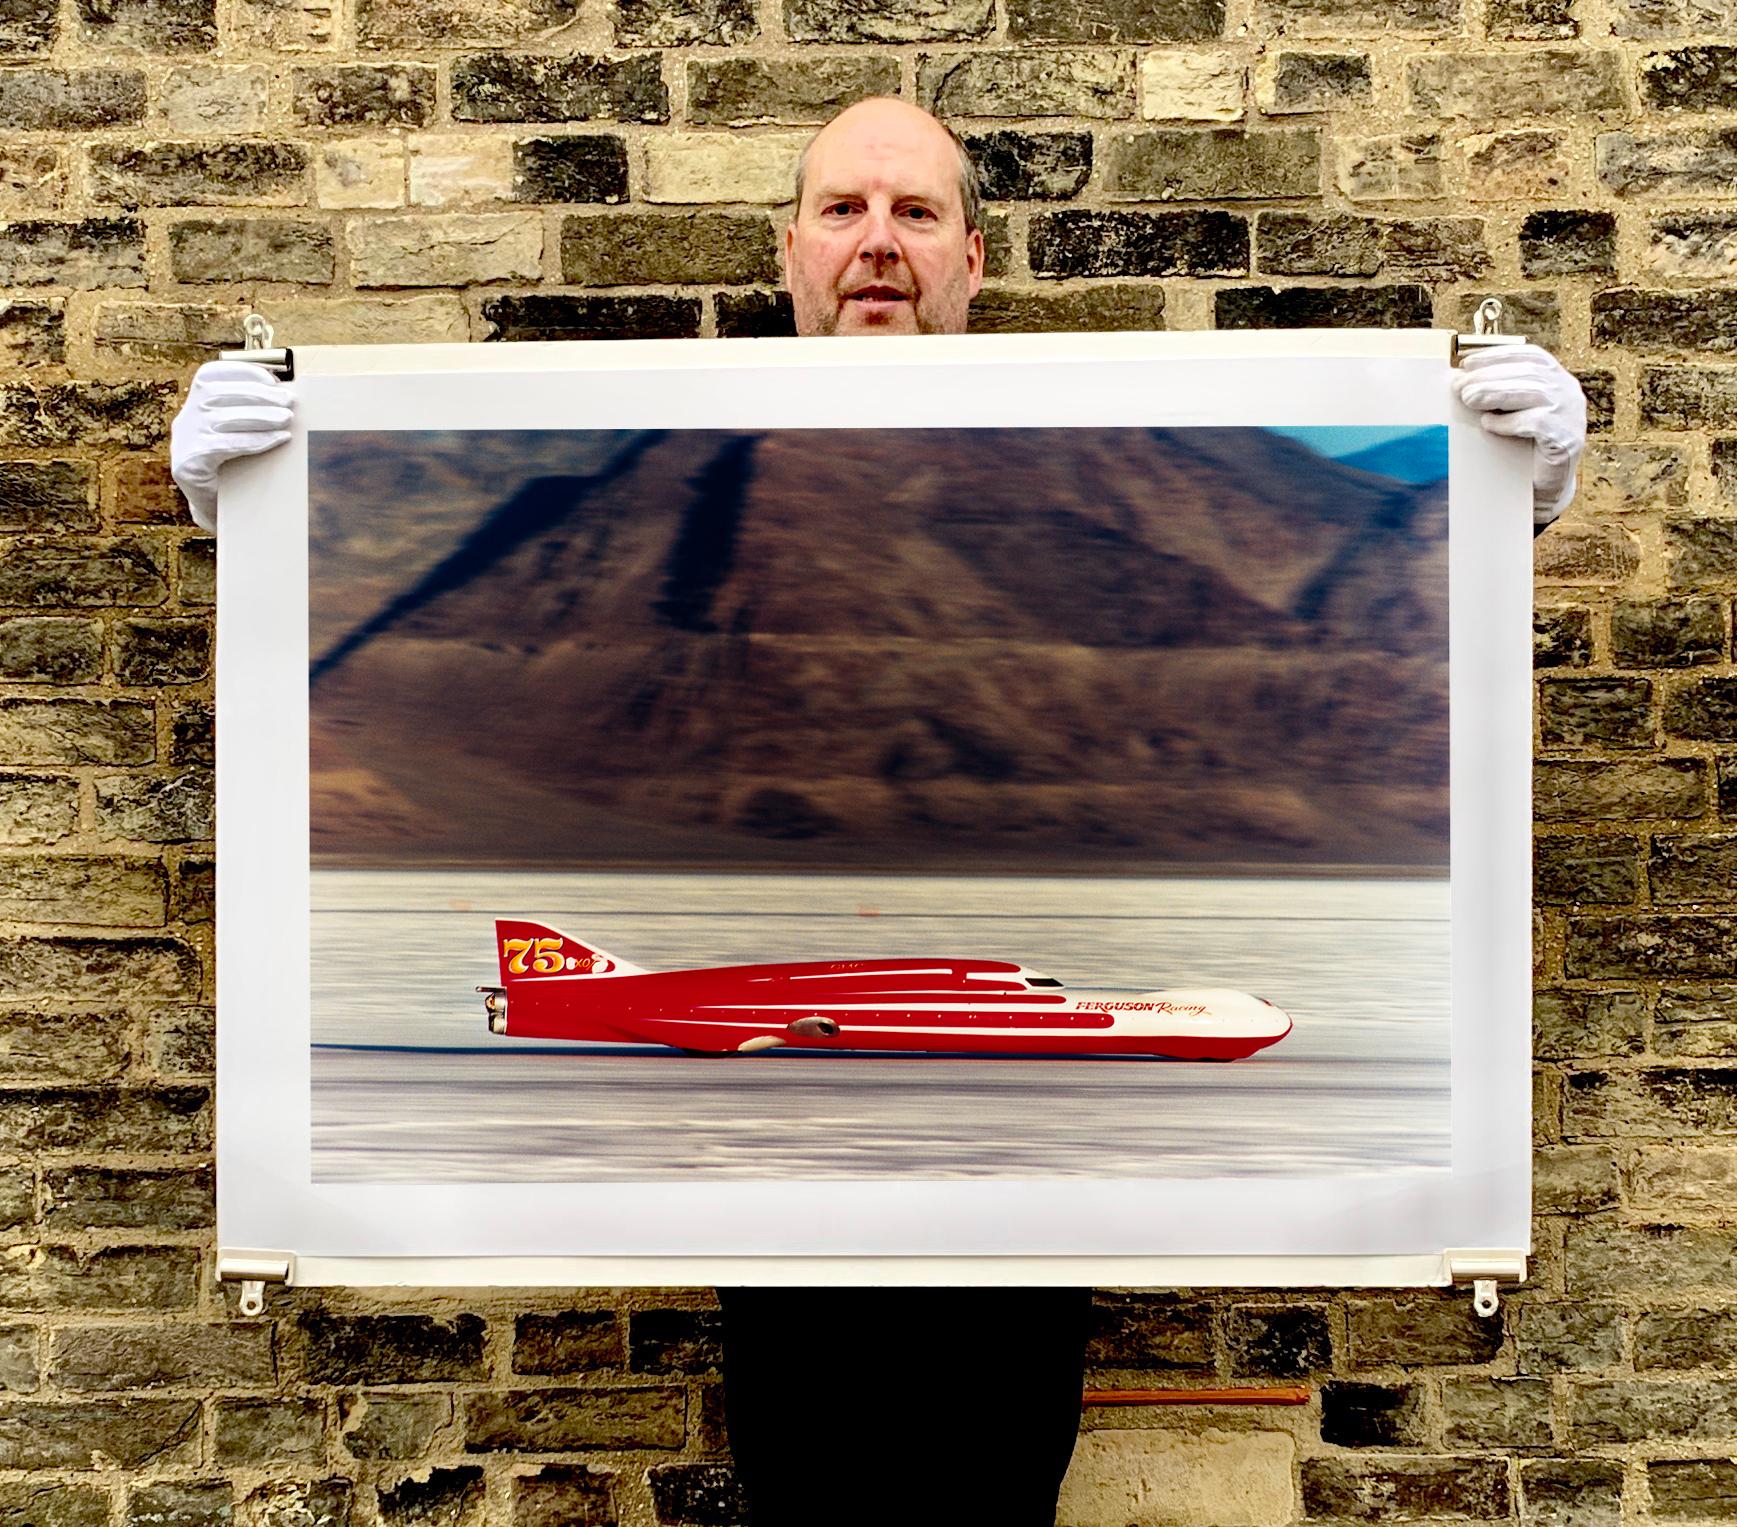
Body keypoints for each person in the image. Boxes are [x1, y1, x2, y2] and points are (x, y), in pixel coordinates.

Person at [172, 96, 1587, 1525]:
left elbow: (1334, 660)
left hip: (1019, 1165)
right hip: (777, 1143)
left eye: (914, 215)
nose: (877, 247)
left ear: (972, 260)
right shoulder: (662, 473)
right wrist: (262, 508)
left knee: (992, 1482)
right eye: (844, 211)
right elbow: (404, 681)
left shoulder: (1071, 471)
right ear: (789, 252)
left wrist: (1488, 509)